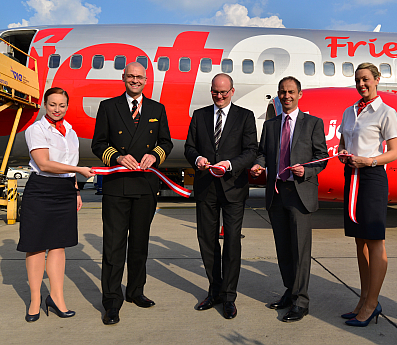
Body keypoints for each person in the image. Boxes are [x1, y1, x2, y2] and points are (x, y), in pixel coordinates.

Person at [91, 62, 173, 325]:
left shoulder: (156, 109)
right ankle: (112, 301)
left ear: (146, 80)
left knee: (139, 245)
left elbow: (166, 142)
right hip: (117, 188)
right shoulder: (108, 106)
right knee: (114, 247)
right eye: (131, 76)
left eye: (139, 77)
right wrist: (116, 156)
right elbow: (98, 144)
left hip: (145, 186)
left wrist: (155, 156)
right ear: (123, 78)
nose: (135, 80)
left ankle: (136, 291)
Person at [250, 76, 328, 322]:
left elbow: (322, 157)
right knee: (283, 249)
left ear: (300, 94)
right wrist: (257, 165)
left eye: (291, 92)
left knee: (300, 251)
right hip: (276, 193)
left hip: (300, 193)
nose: (287, 96)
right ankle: (289, 292)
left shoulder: (313, 123)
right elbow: (263, 153)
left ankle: (301, 302)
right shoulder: (271, 125)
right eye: (283, 92)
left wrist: (308, 171)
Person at [17, 87, 94, 322]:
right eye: (52, 105)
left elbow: (67, 165)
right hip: (41, 189)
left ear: (67, 106)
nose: (57, 109)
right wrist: (79, 171)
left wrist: (76, 191)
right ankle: (35, 301)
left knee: (59, 246)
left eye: (61, 105)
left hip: (65, 191)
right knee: (37, 245)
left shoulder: (70, 132)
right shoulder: (36, 130)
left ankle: (57, 298)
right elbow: (45, 164)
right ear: (45, 104)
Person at [184, 73, 257, 319]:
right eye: (215, 91)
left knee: (232, 243)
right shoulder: (200, 115)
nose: (219, 96)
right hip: (206, 188)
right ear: (211, 90)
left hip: (233, 187)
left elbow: (250, 151)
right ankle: (214, 290)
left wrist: (229, 164)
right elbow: (189, 147)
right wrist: (198, 159)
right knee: (207, 241)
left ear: (232, 91)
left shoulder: (245, 116)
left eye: (224, 92)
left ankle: (229, 296)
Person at [337, 62, 397, 327]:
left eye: (365, 80)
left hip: (372, 177)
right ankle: (363, 299)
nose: (361, 84)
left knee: (375, 241)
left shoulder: (386, 112)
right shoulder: (349, 112)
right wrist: (343, 154)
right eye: (357, 81)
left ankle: (373, 304)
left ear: (376, 80)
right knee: (359, 240)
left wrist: (369, 161)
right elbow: (343, 143)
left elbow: (394, 152)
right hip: (352, 176)